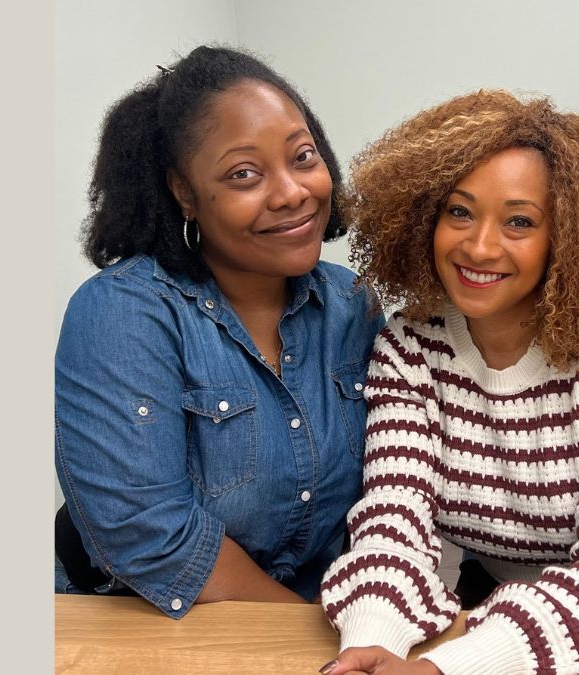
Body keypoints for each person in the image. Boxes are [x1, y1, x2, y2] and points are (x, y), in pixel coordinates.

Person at [318, 90, 579, 674]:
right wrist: (372, 637)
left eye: (520, 222)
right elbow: (395, 514)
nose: (479, 246)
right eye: (459, 211)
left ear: (569, 238)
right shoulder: (409, 346)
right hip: (504, 611)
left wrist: (448, 669)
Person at [53, 46, 384, 618]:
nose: (292, 193)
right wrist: (305, 636)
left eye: (302, 157)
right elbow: (152, 538)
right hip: (145, 629)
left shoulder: (351, 304)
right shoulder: (123, 314)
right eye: (244, 174)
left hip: (326, 623)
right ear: (184, 191)